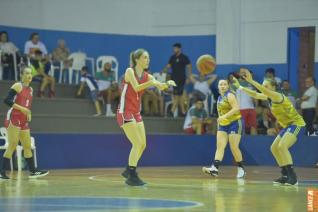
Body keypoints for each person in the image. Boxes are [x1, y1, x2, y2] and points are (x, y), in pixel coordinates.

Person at [232, 68, 305, 185]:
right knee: (274, 148)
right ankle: (285, 174)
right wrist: (240, 87)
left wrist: (251, 81)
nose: (264, 88)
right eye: (263, 85)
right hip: (287, 126)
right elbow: (256, 94)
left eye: (266, 86)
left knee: (282, 146)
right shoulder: (269, 97)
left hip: (297, 124)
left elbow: (261, 91)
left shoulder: (277, 96)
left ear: (273, 87)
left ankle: (293, 177)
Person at [117, 49, 175, 186]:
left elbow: (159, 85)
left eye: (148, 58)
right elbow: (136, 88)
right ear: (137, 60)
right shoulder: (129, 71)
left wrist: (166, 84)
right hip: (125, 111)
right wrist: (152, 83)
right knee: (137, 144)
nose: (148, 60)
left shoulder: (147, 75)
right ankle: (131, 175)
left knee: (143, 145)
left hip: (136, 112)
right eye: (145, 57)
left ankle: (128, 169)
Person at [0, 67, 49, 179]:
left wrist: (28, 113)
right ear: (22, 75)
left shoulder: (31, 89)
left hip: (23, 119)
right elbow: (7, 100)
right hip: (14, 117)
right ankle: (1, 172)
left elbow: (27, 105)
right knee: (12, 144)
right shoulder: (17, 86)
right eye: (26, 73)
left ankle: (33, 171)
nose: (29, 75)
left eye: (30, 73)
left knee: (27, 145)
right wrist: (22, 109)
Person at [202, 79, 246, 178]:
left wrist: (224, 117)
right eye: (220, 84)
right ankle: (215, 168)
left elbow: (236, 108)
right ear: (218, 87)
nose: (223, 86)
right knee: (220, 146)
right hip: (223, 124)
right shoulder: (219, 98)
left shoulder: (230, 95)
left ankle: (241, 168)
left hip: (235, 123)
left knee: (234, 147)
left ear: (228, 86)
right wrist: (221, 122)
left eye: (225, 84)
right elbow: (221, 113)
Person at [162, 43, 192, 117]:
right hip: (173, 80)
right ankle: (183, 112)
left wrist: (189, 77)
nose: (174, 50)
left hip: (182, 79)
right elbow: (168, 66)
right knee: (178, 96)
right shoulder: (172, 57)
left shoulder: (184, 57)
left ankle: (172, 111)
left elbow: (189, 66)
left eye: (175, 48)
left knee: (178, 95)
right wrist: (163, 71)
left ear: (179, 49)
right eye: (173, 48)